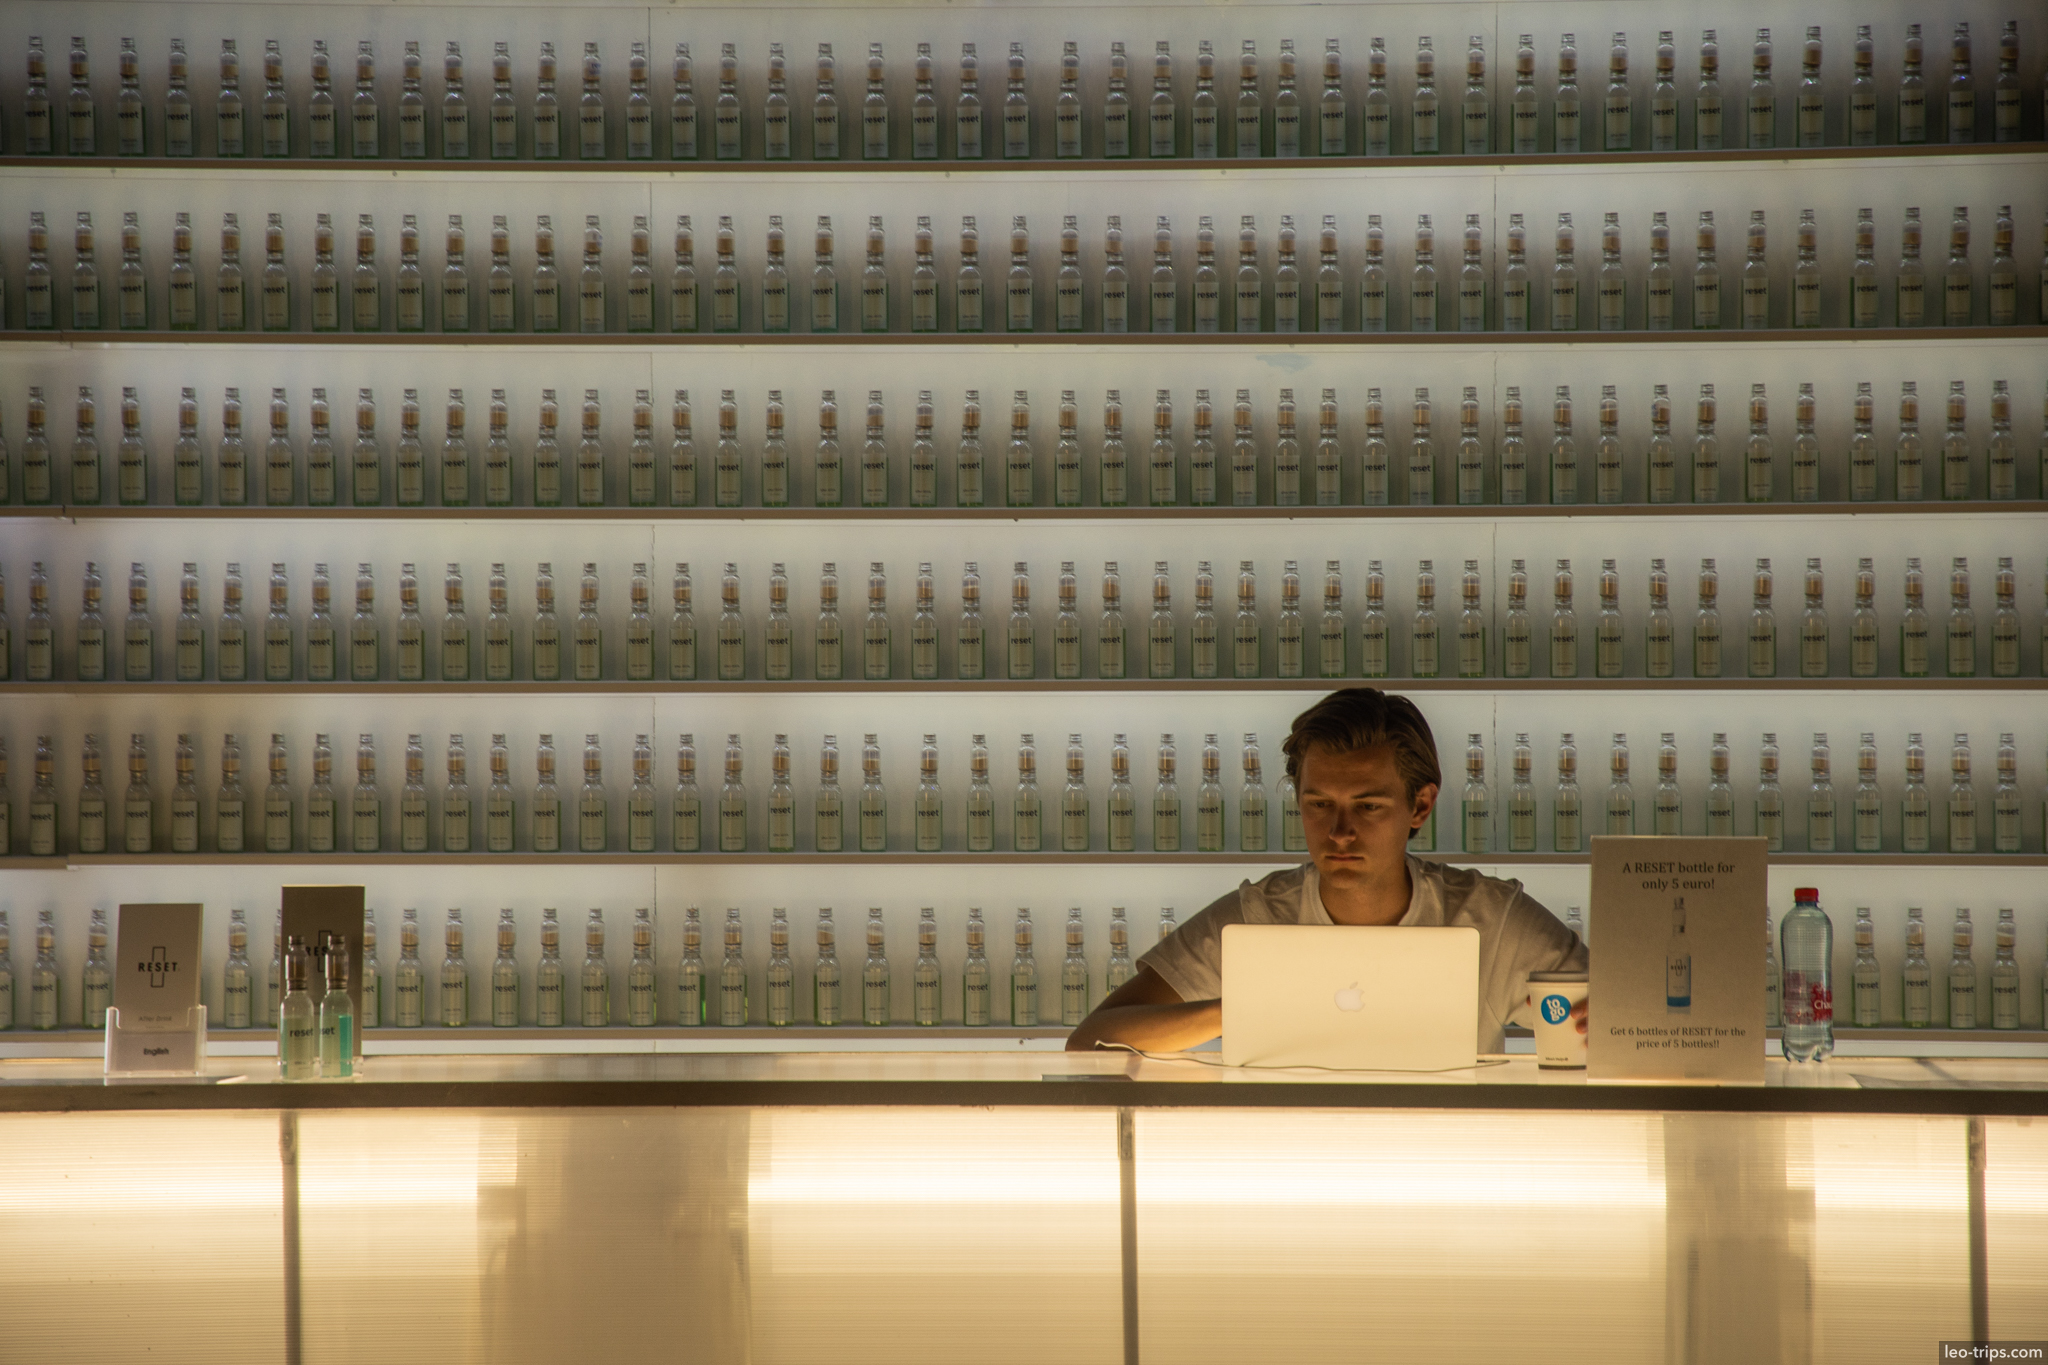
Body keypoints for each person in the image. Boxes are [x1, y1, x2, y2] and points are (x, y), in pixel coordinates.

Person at [1067, 687, 1588, 1055]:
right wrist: (1240, 1009)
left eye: (1367, 807)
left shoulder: (1489, 918)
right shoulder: (1257, 916)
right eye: (1319, 805)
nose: (1339, 832)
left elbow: (1626, 1023)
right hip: (1295, 1174)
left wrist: (1612, 1022)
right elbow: (1093, 1039)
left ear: (1420, 807)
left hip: (1442, 1171)